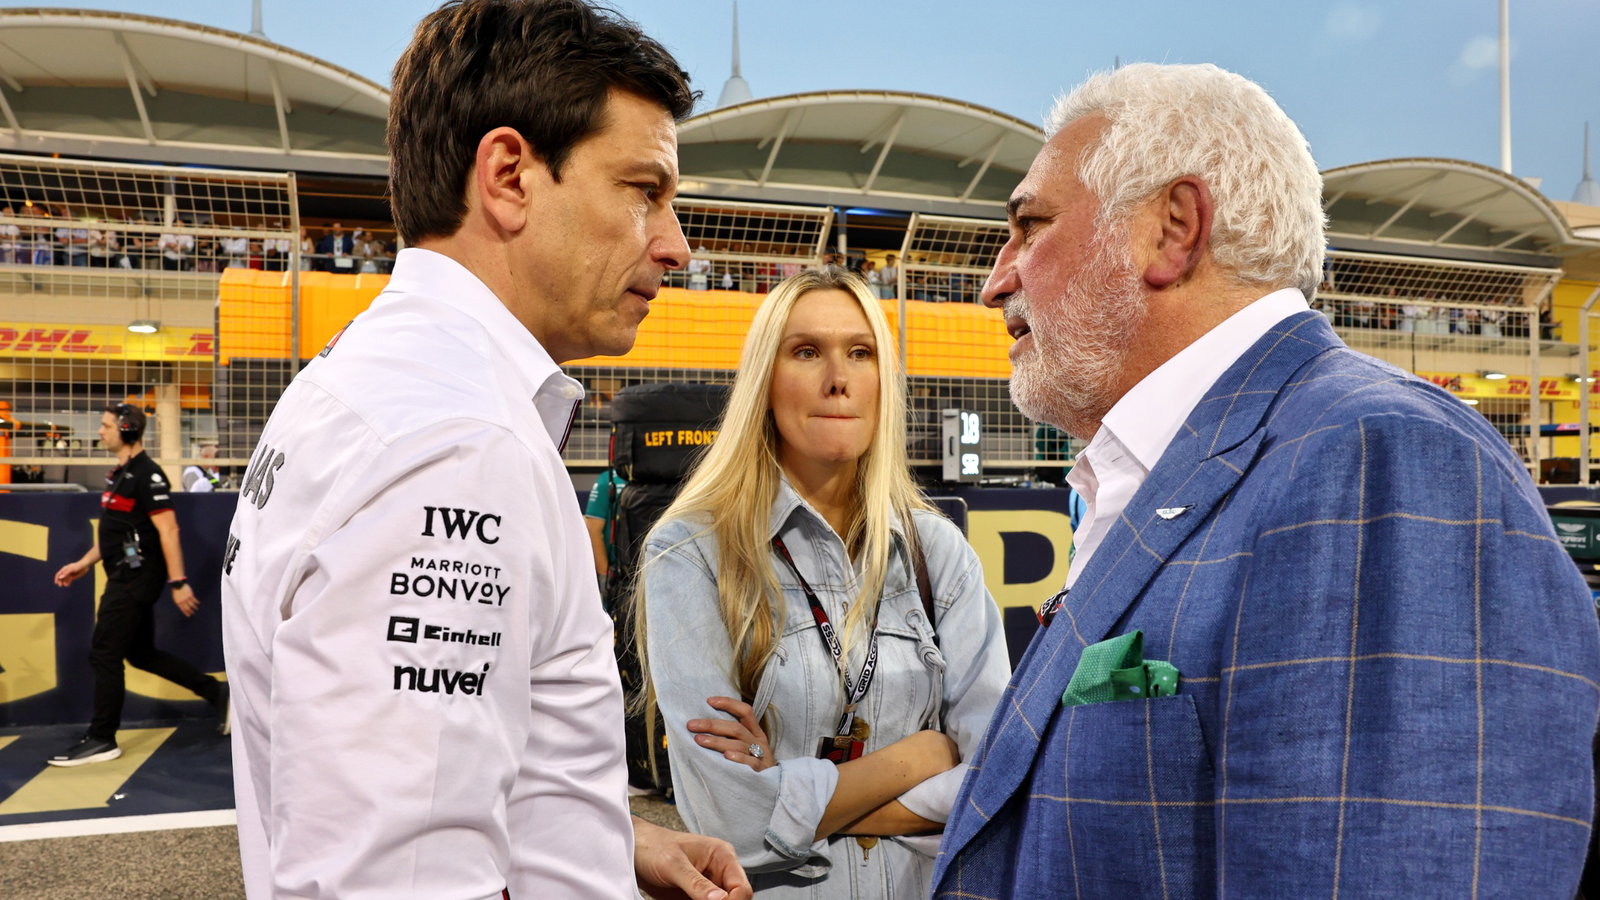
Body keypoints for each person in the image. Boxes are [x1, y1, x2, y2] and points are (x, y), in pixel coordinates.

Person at [934, 63, 1600, 899]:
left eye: (1030, 227)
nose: (997, 278)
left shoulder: (1378, 459)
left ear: (1172, 231)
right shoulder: (1176, 470)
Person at [219, 2, 751, 899]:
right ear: (508, 175)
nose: (675, 245)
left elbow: (434, 773)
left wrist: (598, 840)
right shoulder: (459, 439)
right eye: (643, 191)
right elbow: (397, 877)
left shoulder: (371, 377)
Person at [638, 268, 1011, 898]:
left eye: (860, 353)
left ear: (882, 382)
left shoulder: (936, 551)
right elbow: (731, 819)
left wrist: (788, 787)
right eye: (807, 352)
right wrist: (919, 756)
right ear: (766, 381)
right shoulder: (692, 551)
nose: (838, 379)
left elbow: (994, 777)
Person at [48, 403, 228, 766]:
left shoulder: (149, 475)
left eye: (105, 425)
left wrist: (179, 582)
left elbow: (169, 530)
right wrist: (83, 563)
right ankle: (220, 695)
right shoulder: (121, 475)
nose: (100, 431)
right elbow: (115, 533)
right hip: (123, 574)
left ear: (127, 429)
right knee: (140, 653)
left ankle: (102, 738)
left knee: (104, 653)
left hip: (136, 578)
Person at [585, 466, 627, 593]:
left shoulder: (660, 478)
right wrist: (605, 574)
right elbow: (593, 531)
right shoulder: (607, 481)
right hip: (617, 573)